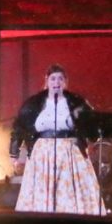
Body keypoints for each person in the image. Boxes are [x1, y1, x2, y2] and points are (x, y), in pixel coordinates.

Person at [9, 64, 103, 214]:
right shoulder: (34, 103)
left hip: (70, 153)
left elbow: (92, 127)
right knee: (42, 194)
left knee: (68, 193)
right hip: (42, 154)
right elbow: (19, 127)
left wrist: (91, 132)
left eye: (60, 79)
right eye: (53, 79)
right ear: (47, 81)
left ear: (65, 82)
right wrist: (14, 153)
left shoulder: (77, 102)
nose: (56, 82)